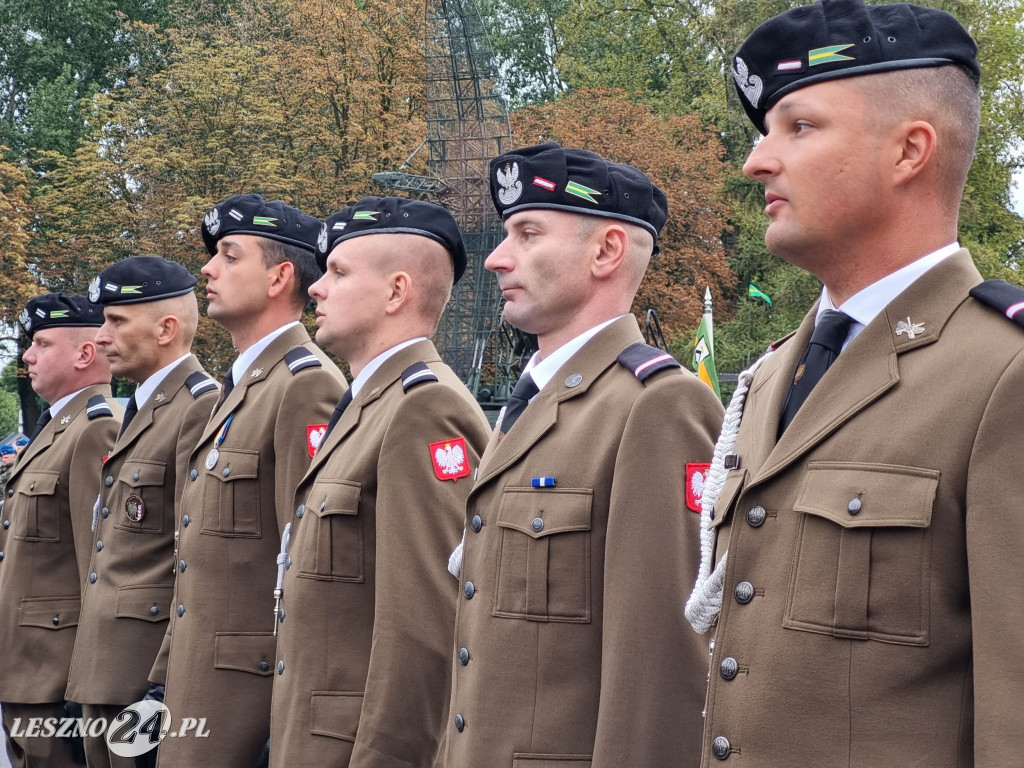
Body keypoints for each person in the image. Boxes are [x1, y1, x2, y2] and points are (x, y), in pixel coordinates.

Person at [685, 1, 1024, 765]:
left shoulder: (1004, 374)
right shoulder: (775, 375)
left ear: (910, 151)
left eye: (799, 128)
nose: (757, 161)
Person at [441, 142, 724, 767]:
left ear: (606, 251)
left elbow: (660, 668)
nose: (495, 258)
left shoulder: (656, 407)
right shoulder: (531, 408)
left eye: (527, 233)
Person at [267, 197, 490, 767]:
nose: (316, 287)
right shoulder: (368, 403)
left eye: (338, 272)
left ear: (396, 292)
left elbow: (425, 630)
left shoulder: (424, 407)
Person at [154, 195, 347, 768]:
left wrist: (279, 724)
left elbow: (306, 566)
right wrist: (161, 679)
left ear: (278, 277)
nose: (208, 270)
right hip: (198, 690)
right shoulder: (241, 389)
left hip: (247, 702)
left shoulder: (303, 387)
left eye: (229, 256)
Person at [63, 256, 219, 768]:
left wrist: (165, 679)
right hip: (107, 661)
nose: (102, 335)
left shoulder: (198, 405)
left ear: (166, 328)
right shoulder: (141, 410)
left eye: (116, 321)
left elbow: (192, 551)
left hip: (145, 668)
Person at [0, 293, 121, 767]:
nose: (27, 355)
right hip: (27, 662)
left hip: (55, 670)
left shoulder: (96, 428)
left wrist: (85, 680)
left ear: (84, 354)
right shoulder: (57, 428)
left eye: (42, 343)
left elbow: (99, 559)